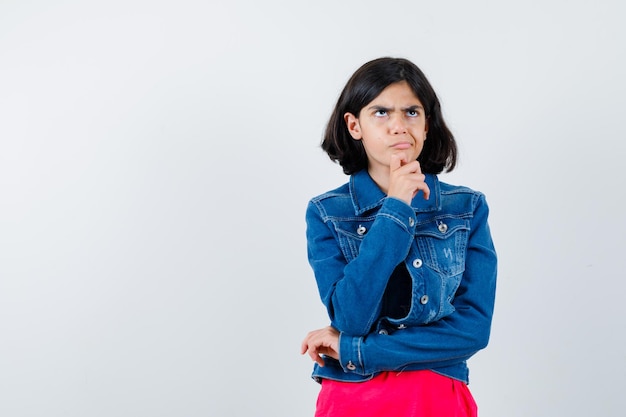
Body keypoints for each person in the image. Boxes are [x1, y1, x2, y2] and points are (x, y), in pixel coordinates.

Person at [300, 57, 497, 417]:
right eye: (380, 112)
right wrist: (396, 209)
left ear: (426, 125)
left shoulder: (467, 208)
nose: (398, 126)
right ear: (353, 125)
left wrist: (354, 351)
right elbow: (350, 318)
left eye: (411, 112)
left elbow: (473, 331)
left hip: (437, 393)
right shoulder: (327, 213)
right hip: (352, 397)